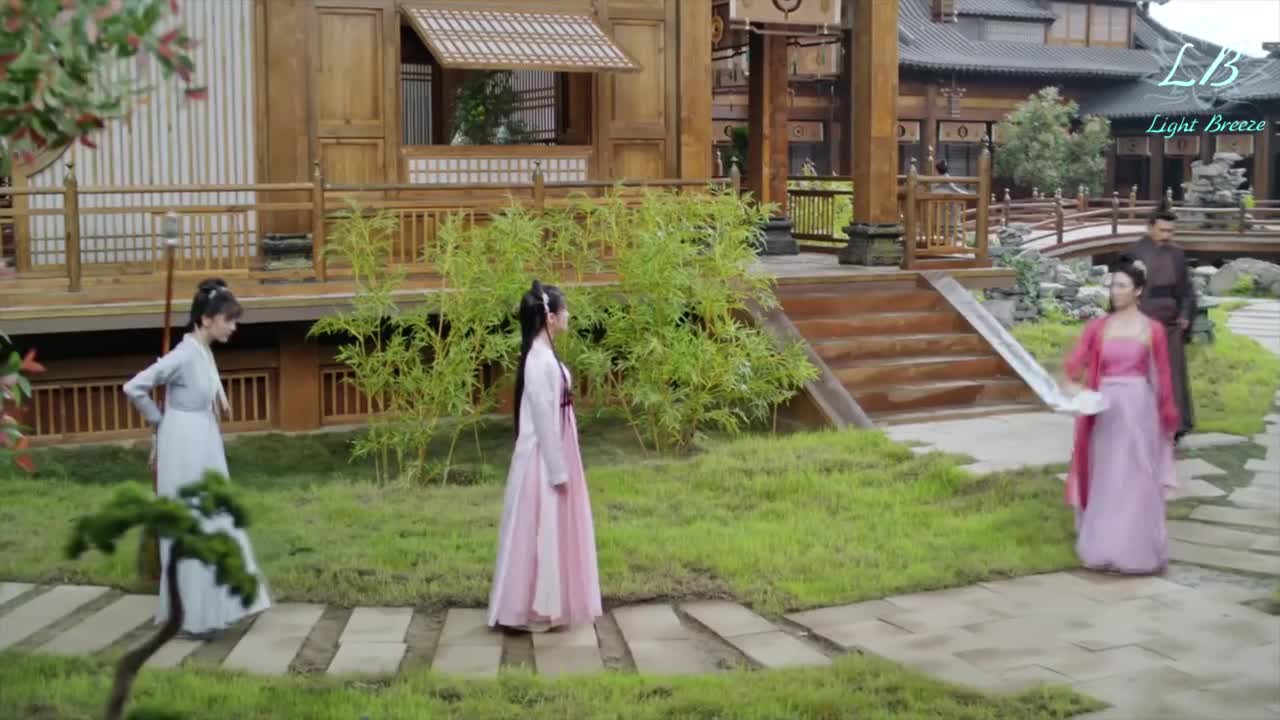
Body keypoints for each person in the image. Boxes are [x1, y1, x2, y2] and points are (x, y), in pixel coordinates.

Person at [123, 279, 272, 639]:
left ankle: (222, 605)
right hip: (184, 442)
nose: (233, 327)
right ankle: (194, 616)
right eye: (228, 319)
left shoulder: (202, 351)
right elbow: (135, 386)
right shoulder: (184, 354)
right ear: (206, 319)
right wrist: (159, 421)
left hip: (202, 436)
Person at [488, 280, 601, 633]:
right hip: (541, 458)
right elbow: (542, 421)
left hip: (555, 451)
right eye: (564, 310)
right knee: (540, 529)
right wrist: (557, 470)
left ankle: (547, 603)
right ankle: (531, 606)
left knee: (549, 529)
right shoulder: (538, 362)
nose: (569, 315)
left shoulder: (544, 356)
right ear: (550, 317)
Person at [1062, 256, 1180, 575]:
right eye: (1113, 285)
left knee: (1138, 477)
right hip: (1105, 409)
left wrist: (1167, 418)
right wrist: (1076, 391)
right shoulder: (1098, 327)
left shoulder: (1152, 329)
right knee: (1107, 475)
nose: (1115, 291)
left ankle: (1136, 550)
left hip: (1140, 409)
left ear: (1138, 290)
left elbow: (1163, 377)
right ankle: (1104, 547)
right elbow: (1073, 367)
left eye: (1122, 285)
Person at [1131, 204, 1195, 440]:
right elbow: (1123, 289)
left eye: (1171, 231)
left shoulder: (1177, 254)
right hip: (1142, 320)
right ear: (1150, 228)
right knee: (1142, 373)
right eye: (1162, 230)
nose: (1167, 235)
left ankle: (1175, 425)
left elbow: (1186, 289)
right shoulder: (1135, 253)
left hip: (1171, 322)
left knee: (1173, 373)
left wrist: (1185, 314)